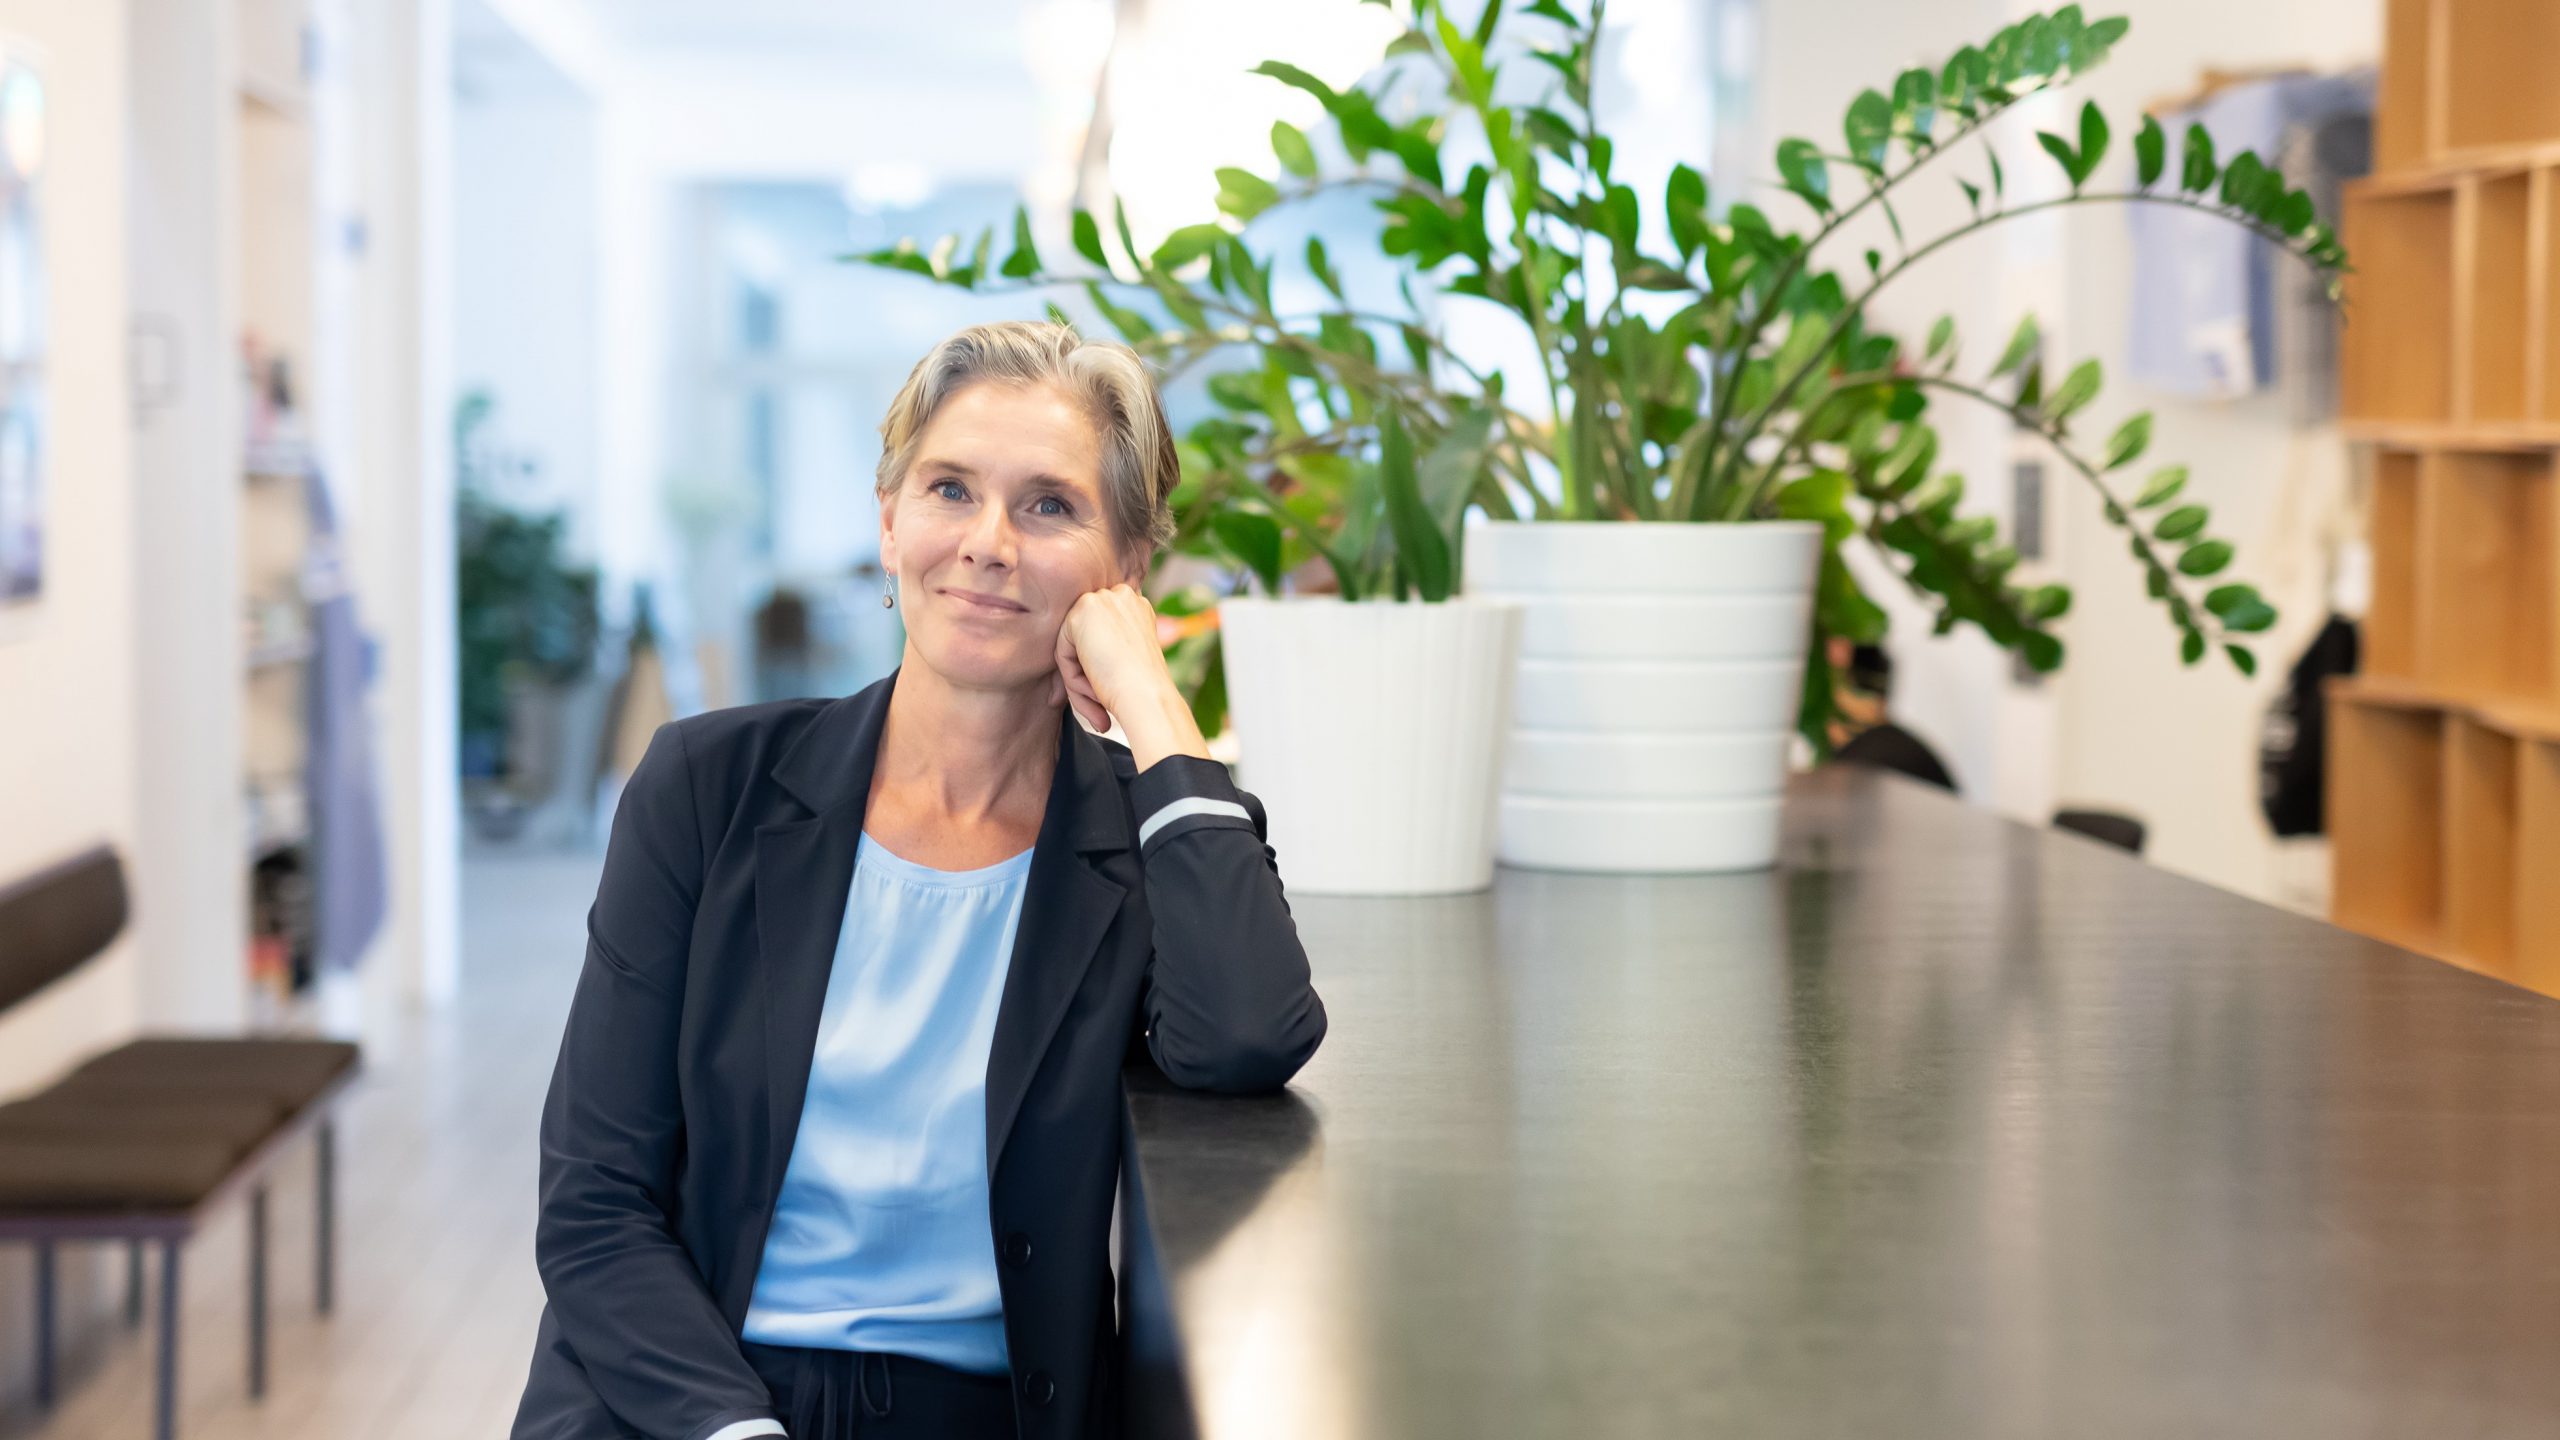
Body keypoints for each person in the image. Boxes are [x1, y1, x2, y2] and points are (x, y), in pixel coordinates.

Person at [510, 321, 1329, 1440]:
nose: (988, 543)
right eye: (950, 489)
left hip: (980, 1413)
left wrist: (1150, 699)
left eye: (1050, 505)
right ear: (890, 519)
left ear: (1126, 569)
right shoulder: (706, 787)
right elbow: (595, 1204)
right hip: (686, 1392)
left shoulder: (1150, 837)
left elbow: (1246, 1034)